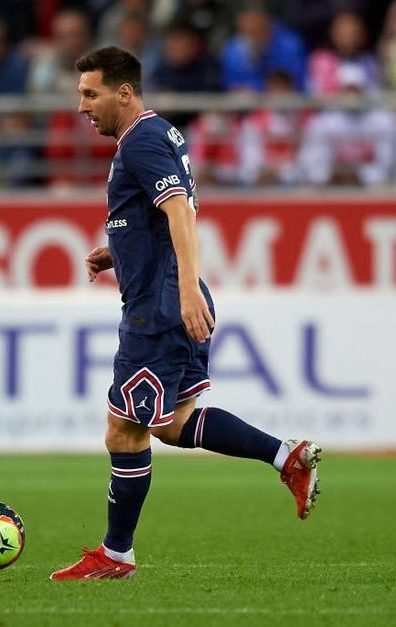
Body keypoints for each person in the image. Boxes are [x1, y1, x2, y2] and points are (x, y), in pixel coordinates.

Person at [50, 46, 321, 581]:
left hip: (160, 307)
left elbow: (180, 210)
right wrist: (118, 250)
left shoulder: (143, 139)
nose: (82, 106)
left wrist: (186, 295)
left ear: (124, 93)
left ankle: (116, 554)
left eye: (90, 93)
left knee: (123, 431)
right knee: (172, 425)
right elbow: (157, 213)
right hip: (169, 294)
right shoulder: (157, 133)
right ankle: (285, 456)